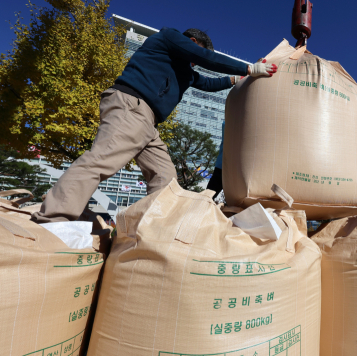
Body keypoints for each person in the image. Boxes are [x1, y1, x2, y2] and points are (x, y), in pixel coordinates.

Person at [32, 28, 277, 223]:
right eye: (193, 55)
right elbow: (205, 58)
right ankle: (54, 218)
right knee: (101, 160)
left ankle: (156, 230)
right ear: (190, 42)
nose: (193, 64)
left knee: (166, 180)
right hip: (131, 105)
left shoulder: (186, 73)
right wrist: (249, 67)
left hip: (148, 123)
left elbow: (209, 84)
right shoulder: (168, 38)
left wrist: (240, 78)